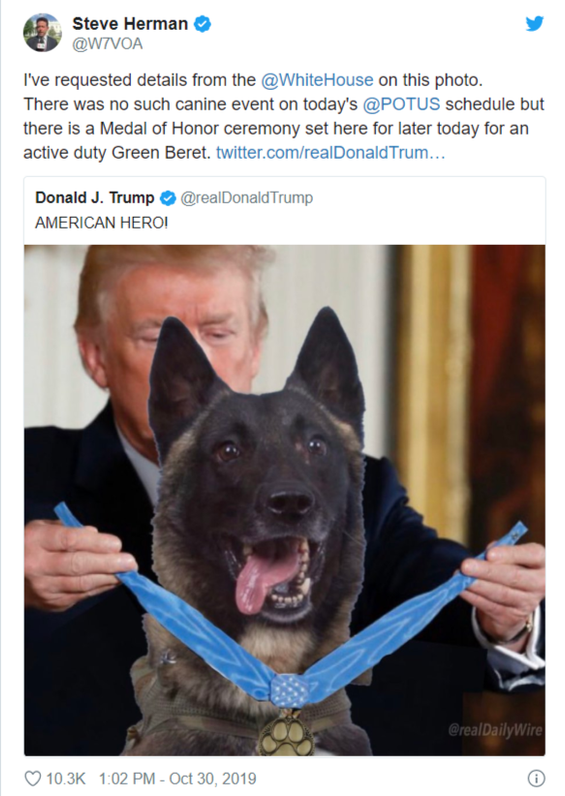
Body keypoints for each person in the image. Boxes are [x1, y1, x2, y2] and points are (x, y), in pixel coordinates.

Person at [25, 245, 545, 755]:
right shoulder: (23, 480)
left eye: (218, 332)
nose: (195, 364)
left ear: (256, 346)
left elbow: (457, 605)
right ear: (95, 356)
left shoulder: (355, 489)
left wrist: (510, 619)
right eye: (157, 337)